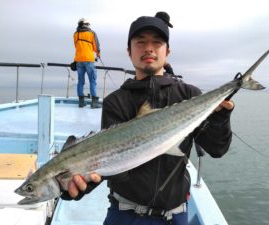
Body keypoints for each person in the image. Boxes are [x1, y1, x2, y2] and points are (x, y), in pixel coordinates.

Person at [63, 12, 234, 225]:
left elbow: (217, 149)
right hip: (124, 215)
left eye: (157, 42)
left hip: (175, 216)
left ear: (167, 51)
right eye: (140, 42)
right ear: (129, 51)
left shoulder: (189, 96)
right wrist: (82, 180)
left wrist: (220, 118)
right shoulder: (116, 102)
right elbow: (116, 161)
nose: (149, 48)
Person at [74, 18, 101, 108]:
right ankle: (94, 103)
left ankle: (81, 102)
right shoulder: (92, 33)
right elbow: (96, 46)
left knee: (80, 81)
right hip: (89, 60)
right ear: (87, 24)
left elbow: (76, 46)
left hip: (78, 60)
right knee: (92, 80)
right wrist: (98, 54)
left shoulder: (75, 34)